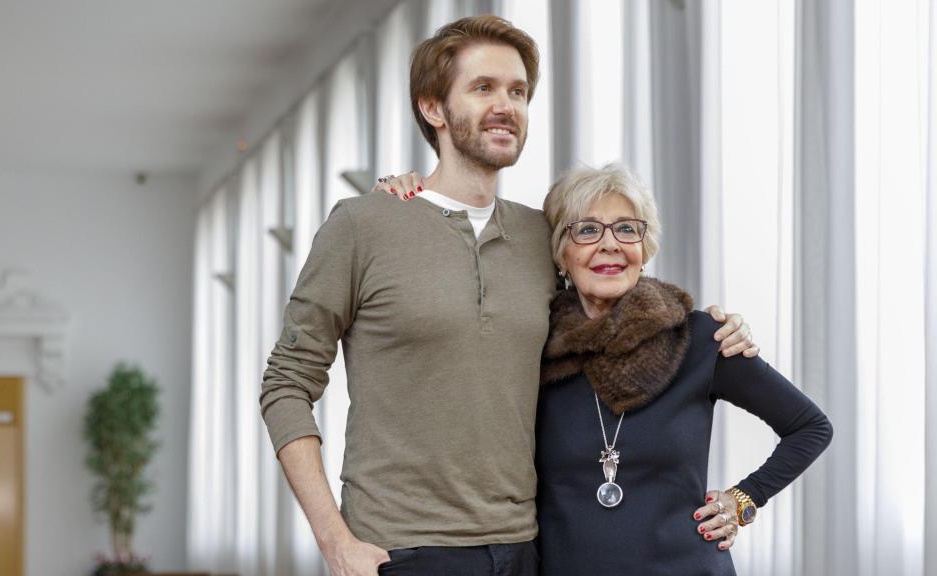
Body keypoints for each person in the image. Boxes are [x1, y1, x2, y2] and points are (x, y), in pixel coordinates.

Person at [261, 16, 754, 576]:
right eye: (483, 88)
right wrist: (334, 540)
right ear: (433, 108)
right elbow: (285, 383)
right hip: (400, 550)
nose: (506, 106)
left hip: (526, 549)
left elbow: (613, 302)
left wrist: (711, 326)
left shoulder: (540, 236)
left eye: (518, 92)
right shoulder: (362, 225)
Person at [532, 163, 832, 575]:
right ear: (561, 254)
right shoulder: (533, 350)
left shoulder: (702, 338)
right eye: (587, 230)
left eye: (626, 229)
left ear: (644, 249)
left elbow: (810, 427)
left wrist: (743, 501)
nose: (610, 244)